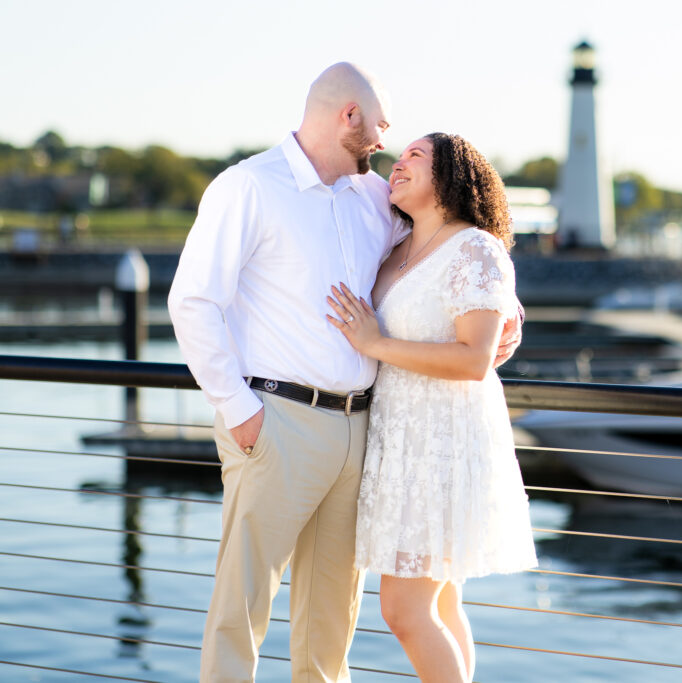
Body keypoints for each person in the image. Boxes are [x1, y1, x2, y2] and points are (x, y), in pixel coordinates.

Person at [168, 65, 522, 682]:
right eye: (382, 125)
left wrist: (510, 311)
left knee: (333, 616)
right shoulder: (249, 186)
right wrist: (239, 410)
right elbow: (193, 302)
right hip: (276, 420)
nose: (386, 141)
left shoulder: (372, 202)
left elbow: (448, 256)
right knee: (242, 607)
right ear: (349, 117)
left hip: (364, 431)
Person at [326, 132, 538, 683]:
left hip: (443, 442)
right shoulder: (399, 245)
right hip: (400, 441)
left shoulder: (475, 248)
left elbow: (474, 359)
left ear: (450, 177)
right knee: (440, 606)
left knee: (403, 610)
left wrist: (375, 344)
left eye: (416, 156)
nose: (398, 164)